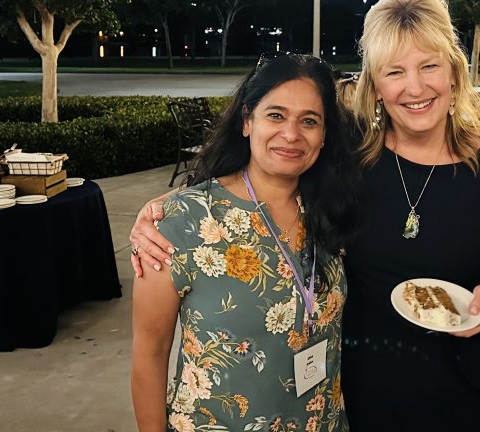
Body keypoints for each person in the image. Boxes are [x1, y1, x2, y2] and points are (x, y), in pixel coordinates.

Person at [129, 0, 480, 429]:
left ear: (454, 72)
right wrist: (163, 211)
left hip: (469, 390)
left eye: (430, 66)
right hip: (365, 392)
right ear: (376, 85)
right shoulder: (351, 163)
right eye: (395, 72)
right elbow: (267, 176)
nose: (415, 87)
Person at [130, 52, 360, 432]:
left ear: (324, 136)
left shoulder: (332, 211)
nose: (291, 134)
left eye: (309, 121)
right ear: (246, 121)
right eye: (275, 115)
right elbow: (149, 355)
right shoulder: (182, 222)